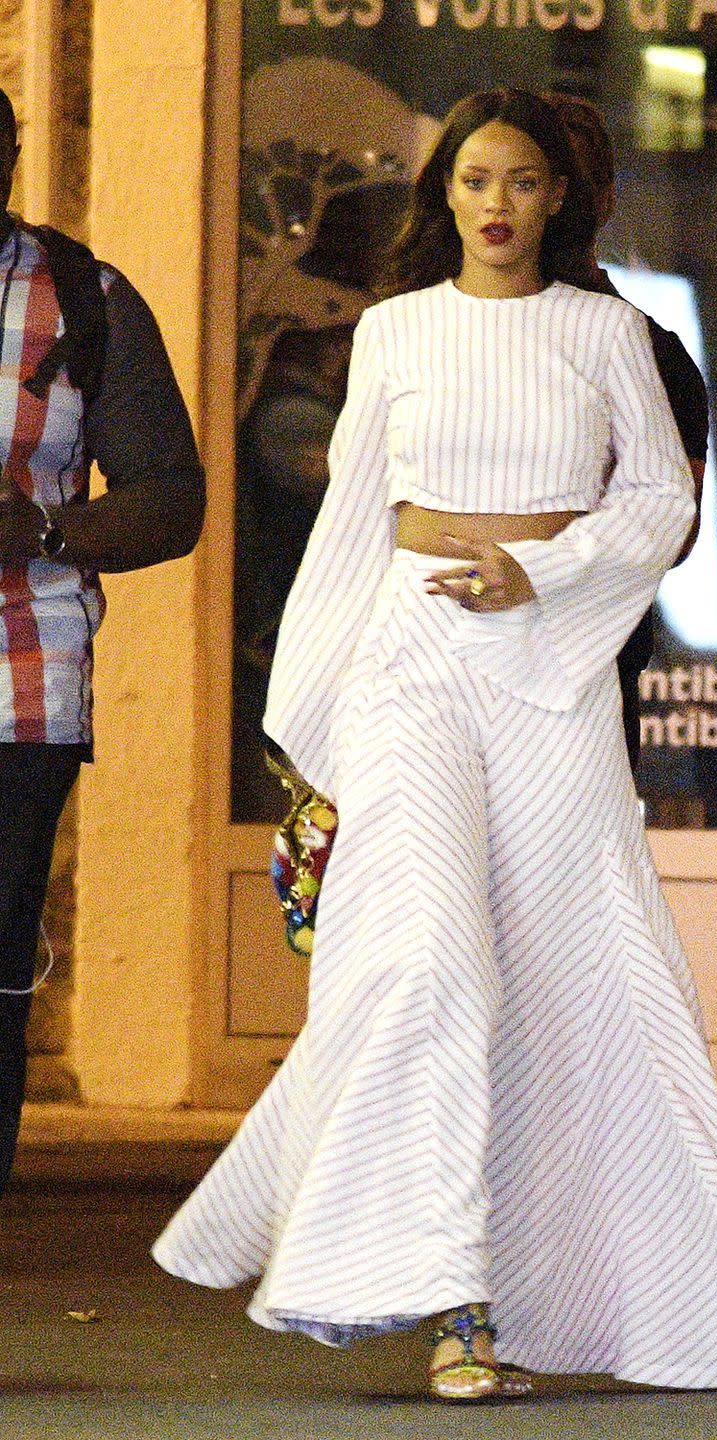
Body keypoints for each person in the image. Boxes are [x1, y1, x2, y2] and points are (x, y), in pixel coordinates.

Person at [153, 88, 717, 1400]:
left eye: (520, 181)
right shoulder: (393, 331)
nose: (497, 204)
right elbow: (349, 523)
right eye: (473, 182)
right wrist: (314, 736)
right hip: (409, 667)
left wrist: (546, 575)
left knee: (595, 977)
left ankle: (578, 1299)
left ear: (554, 197)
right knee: (425, 962)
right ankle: (427, 1293)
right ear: (443, 196)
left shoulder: (606, 332)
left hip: (551, 676)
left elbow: (660, 501)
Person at [0, 89, 205, 1194]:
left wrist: (39, 525)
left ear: (13, 158)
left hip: (17, 690)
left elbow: (172, 501)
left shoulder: (83, 299)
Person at [546, 92, 708, 770]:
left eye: (563, 187)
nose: (549, 208)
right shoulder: (432, 329)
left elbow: (674, 532)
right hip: (442, 672)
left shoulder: (651, 353)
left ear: (602, 201)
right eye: (527, 182)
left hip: (586, 681)